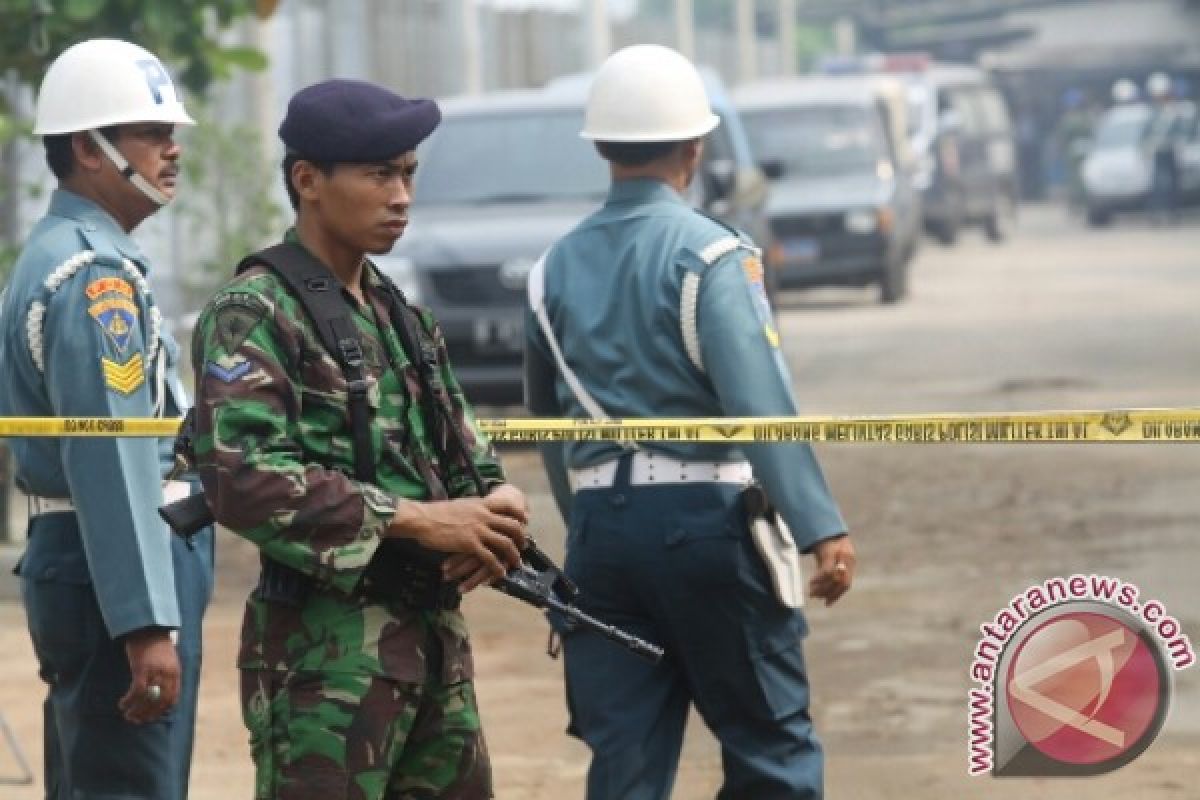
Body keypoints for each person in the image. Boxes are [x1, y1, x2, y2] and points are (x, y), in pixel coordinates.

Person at [524, 44, 857, 800]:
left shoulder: (550, 269)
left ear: (602, 147)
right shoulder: (712, 255)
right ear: (695, 146)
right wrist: (818, 526)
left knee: (626, 761)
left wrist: (591, 520)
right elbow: (759, 404)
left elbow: (546, 426)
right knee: (771, 746)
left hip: (602, 535)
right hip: (706, 526)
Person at [189, 79, 529, 799]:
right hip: (325, 662)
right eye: (379, 174)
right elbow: (238, 477)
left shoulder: (398, 313)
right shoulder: (255, 314)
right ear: (307, 180)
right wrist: (420, 520)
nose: (401, 195)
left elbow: (461, 449)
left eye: (407, 172)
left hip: (434, 651)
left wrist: (495, 500)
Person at [0, 39, 214, 798]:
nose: (172, 148)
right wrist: (146, 622)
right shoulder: (95, 278)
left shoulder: (72, 254)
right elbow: (115, 460)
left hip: (95, 560)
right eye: (150, 133)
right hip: (111, 567)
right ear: (90, 150)